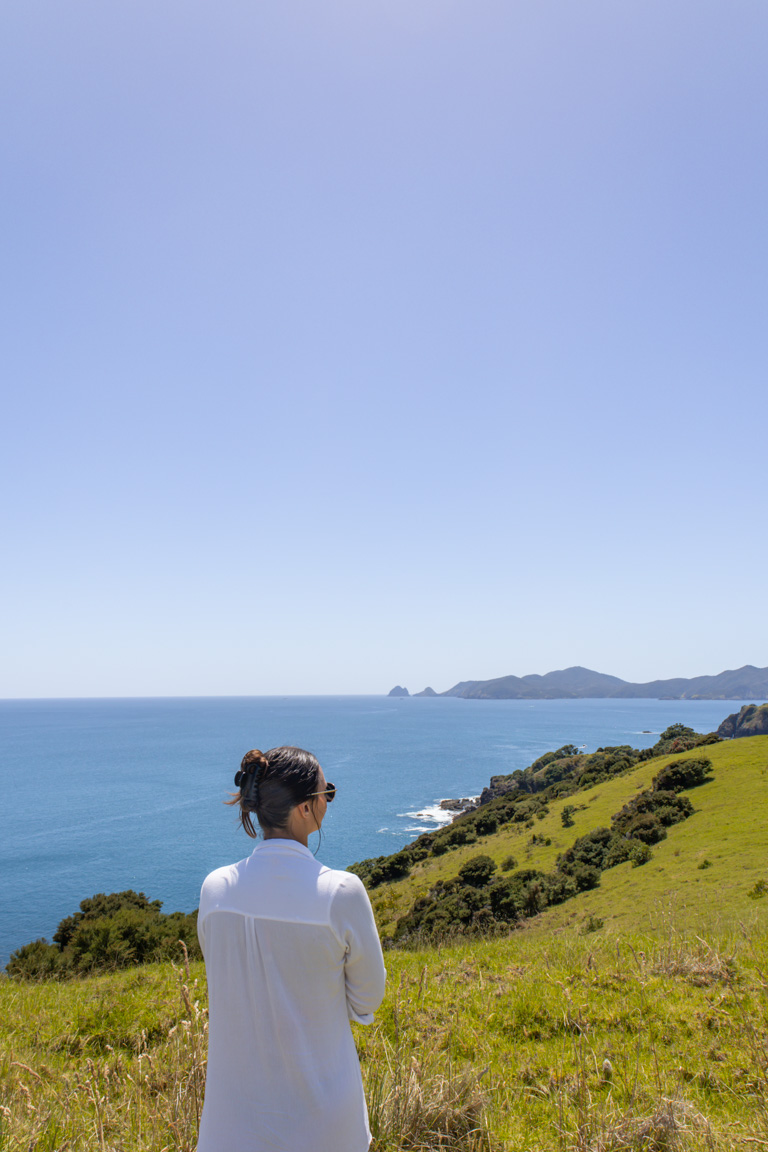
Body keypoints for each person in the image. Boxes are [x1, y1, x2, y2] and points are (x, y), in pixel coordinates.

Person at [196, 746, 386, 1152]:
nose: (328, 800)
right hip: (323, 1123)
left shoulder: (214, 890)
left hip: (230, 1126)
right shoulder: (341, 892)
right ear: (304, 808)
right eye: (326, 792)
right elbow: (369, 996)